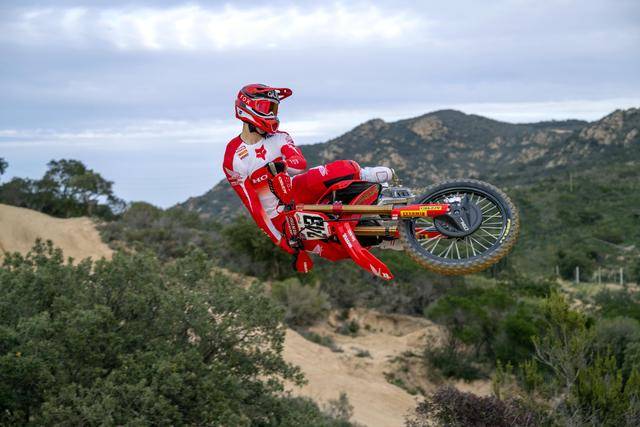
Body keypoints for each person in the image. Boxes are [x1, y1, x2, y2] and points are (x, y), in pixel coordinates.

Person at [223, 84, 394, 273]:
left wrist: (283, 165)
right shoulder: (234, 158)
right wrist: (280, 241)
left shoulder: (280, 137)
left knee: (318, 175)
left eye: (274, 109)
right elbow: (254, 207)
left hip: (294, 190)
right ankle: (385, 239)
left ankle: (370, 178)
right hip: (280, 218)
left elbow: (300, 163)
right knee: (332, 250)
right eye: (267, 108)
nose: (272, 114)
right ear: (246, 108)